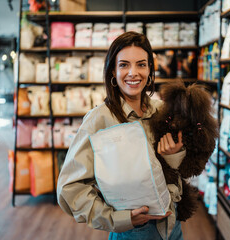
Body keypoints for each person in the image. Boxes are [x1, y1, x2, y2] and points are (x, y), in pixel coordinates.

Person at [57, 31, 186, 240]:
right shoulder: (99, 119)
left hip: (173, 226)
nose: (133, 73)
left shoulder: (163, 111)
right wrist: (118, 219)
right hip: (133, 232)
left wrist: (174, 155)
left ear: (150, 70)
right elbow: (70, 188)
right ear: (113, 71)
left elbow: (180, 171)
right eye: (124, 65)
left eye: (141, 64)